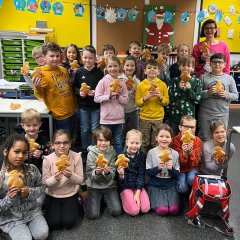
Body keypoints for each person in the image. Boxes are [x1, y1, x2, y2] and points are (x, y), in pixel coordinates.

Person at [0, 134, 49, 240]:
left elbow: (42, 186)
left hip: (31, 211)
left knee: (42, 234)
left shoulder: (32, 169)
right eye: (17, 152)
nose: (21, 156)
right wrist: (9, 199)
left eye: (24, 152)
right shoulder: (1, 176)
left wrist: (29, 192)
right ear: (5, 152)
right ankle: (7, 233)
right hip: (11, 218)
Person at [42, 129, 83, 229]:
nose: (62, 146)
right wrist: (55, 178)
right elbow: (45, 182)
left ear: (70, 144)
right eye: (58, 143)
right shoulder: (47, 160)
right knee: (53, 224)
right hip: (53, 194)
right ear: (52, 145)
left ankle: (77, 202)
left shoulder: (76, 157)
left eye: (65, 142)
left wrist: (70, 175)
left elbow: (80, 180)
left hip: (70, 193)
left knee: (69, 223)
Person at [33, 42, 76, 131]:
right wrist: (37, 87)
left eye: (57, 56)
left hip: (72, 111)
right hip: (60, 115)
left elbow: (70, 90)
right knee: (63, 140)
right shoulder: (41, 73)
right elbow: (40, 96)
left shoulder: (64, 70)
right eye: (52, 56)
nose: (55, 59)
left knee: (72, 139)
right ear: (44, 57)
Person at [73, 45, 104, 160]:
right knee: (84, 128)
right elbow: (74, 87)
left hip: (96, 106)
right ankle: (85, 149)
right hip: (83, 106)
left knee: (94, 129)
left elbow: (103, 88)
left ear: (95, 58)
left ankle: (94, 149)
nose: (88, 60)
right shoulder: (79, 72)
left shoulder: (99, 73)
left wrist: (96, 92)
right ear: (82, 58)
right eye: (85, 58)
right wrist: (79, 92)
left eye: (91, 58)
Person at [198, 53, 238, 141]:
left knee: (221, 138)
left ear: (224, 64)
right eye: (214, 62)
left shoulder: (229, 79)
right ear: (210, 64)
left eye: (220, 62)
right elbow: (197, 95)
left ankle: (219, 155)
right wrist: (208, 92)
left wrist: (226, 94)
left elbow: (236, 95)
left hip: (222, 114)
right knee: (204, 137)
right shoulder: (203, 78)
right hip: (206, 114)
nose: (217, 64)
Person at [94, 55, 128, 154]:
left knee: (118, 142)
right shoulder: (103, 82)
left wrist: (118, 97)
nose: (113, 69)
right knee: (104, 142)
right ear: (106, 68)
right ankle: (104, 162)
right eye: (110, 66)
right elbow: (96, 98)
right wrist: (108, 96)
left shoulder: (123, 83)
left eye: (115, 66)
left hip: (119, 119)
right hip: (106, 120)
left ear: (119, 67)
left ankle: (119, 164)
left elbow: (125, 101)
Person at [86, 126, 121, 219]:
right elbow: (89, 173)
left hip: (109, 185)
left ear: (110, 141)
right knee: (93, 215)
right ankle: (87, 199)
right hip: (94, 186)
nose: (103, 143)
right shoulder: (91, 154)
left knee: (116, 211)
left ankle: (103, 198)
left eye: (106, 140)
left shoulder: (112, 152)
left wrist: (107, 173)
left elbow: (113, 172)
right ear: (95, 141)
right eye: (100, 140)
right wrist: (96, 173)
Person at [135, 59, 169, 154]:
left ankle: (155, 162)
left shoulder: (162, 85)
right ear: (145, 71)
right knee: (144, 142)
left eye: (155, 68)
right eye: (149, 68)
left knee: (156, 142)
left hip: (158, 118)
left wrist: (160, 97)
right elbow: (137, 102)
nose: (152, 70)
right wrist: (146, 97)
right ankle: (144, 162)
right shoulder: (141, 85)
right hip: (144, 118)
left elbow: (166, 102)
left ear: (158, 71)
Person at [146, 124, 180, 216]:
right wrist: (158, 168)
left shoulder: (175, 154)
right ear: (156, 138)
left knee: (174, 210)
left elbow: (177, 174)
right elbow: (148, 172)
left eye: (167, 137)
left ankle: (171, 201)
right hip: (156, 185)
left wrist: (171, 169)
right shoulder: (151, 152)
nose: (164, 139)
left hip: (170, 185)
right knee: (162, 211)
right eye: (161, 136)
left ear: (171, 139)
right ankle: (157, 201)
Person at [117, 129, 150, 216]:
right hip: (125, 185)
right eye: (132, 143)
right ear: (126, 142)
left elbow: (141, 174)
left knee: (145, 208)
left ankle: (134, 196)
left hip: (138, 185)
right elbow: (119, 180)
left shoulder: (142, 156)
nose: (134, 146)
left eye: (137, 143)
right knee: (134, 211)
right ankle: (124, 198)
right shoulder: (121, 156)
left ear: (140, 143)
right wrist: (121, 174)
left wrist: (138, 192)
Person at [168, 56, 202, 135]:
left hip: (189, 118)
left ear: (193, 68)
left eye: (188, 66)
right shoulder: (174, 81)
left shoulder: (197, 82)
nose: (185, 68)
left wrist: (189, 90)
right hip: (175, 116)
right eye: (183, 65)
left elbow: (197, 100)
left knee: (188, 138)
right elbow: (170, 99)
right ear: (179, 66)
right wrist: (179, 89)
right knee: (174, 137)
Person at [172, 116, 202, 194]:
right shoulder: (175, 140)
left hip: (192, 167)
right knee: (182, 188)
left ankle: (193, 194)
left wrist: (190, 153)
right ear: (180, 127)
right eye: (186, 127)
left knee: (191, 180)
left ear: (195, 128)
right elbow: (177, 162)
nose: (189, 130)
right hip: (180, 168)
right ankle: (183, 196)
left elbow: (195, 162)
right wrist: (184, 154)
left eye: (192, 127)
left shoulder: (197, 141)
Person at [21, 108, 50, 173]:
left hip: (40, 172)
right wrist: (23, 156)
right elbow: (12, 157)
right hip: (23, 171)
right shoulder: (19, 140)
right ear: (23, 126)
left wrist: (41, 155)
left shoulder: (44, 140)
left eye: (35, 125)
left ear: (40, 124)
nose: (32, 128)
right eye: (28, 125)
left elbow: (50, 157)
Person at [120, 55, 140, 137]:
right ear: (123, 67)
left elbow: (138, 99)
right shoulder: (118, 79)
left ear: (135, 67)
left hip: (133, 111)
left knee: (133, 133)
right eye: (127, 65)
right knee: (121, 133)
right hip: (121, 111)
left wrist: (133, 91)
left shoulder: (137, 81)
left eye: (132, 66)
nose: (129, 68)